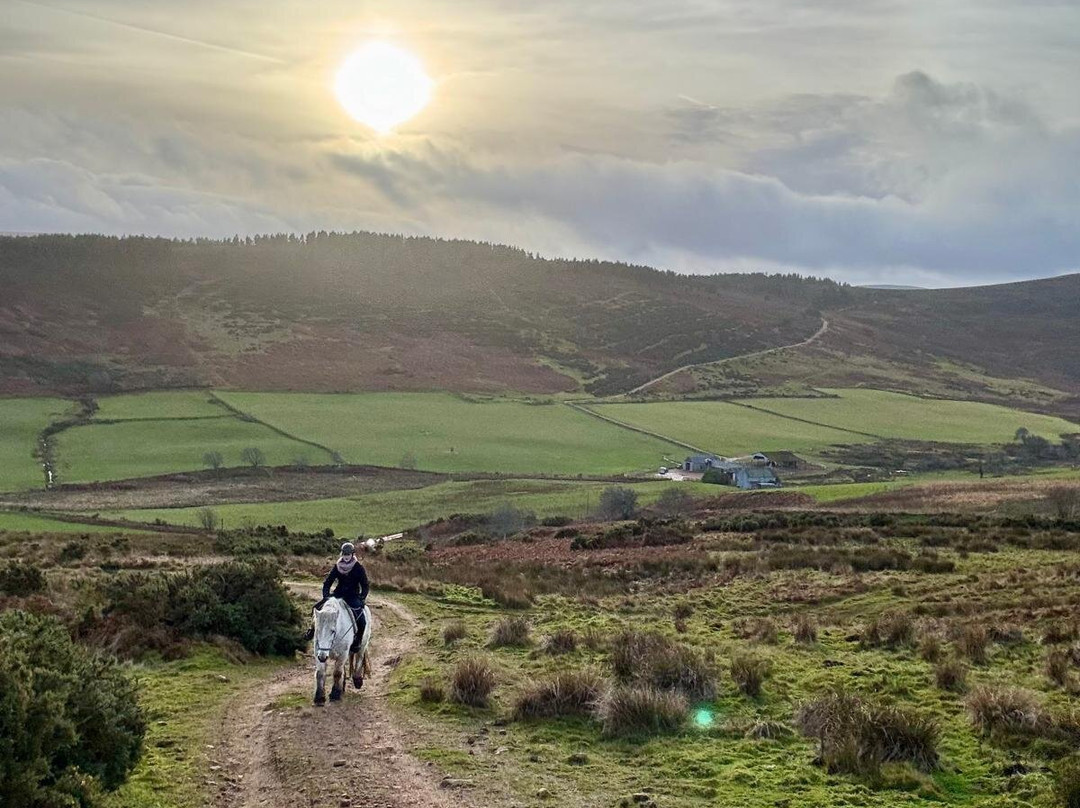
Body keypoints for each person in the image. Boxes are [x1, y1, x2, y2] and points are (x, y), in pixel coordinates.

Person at [320, 541, 370, 652]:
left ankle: (357, 641)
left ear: (352, 554)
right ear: (341, 554)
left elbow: (365, 585)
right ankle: (312, 631)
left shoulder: (358, 568)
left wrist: (362, 597)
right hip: (338, 595)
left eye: (348, 555)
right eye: (344, 555)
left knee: (362, 621)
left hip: (353, 596)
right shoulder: (337, 566)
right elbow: (328, 582)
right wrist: (326, 596)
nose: (346, 557)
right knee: (318, 608)